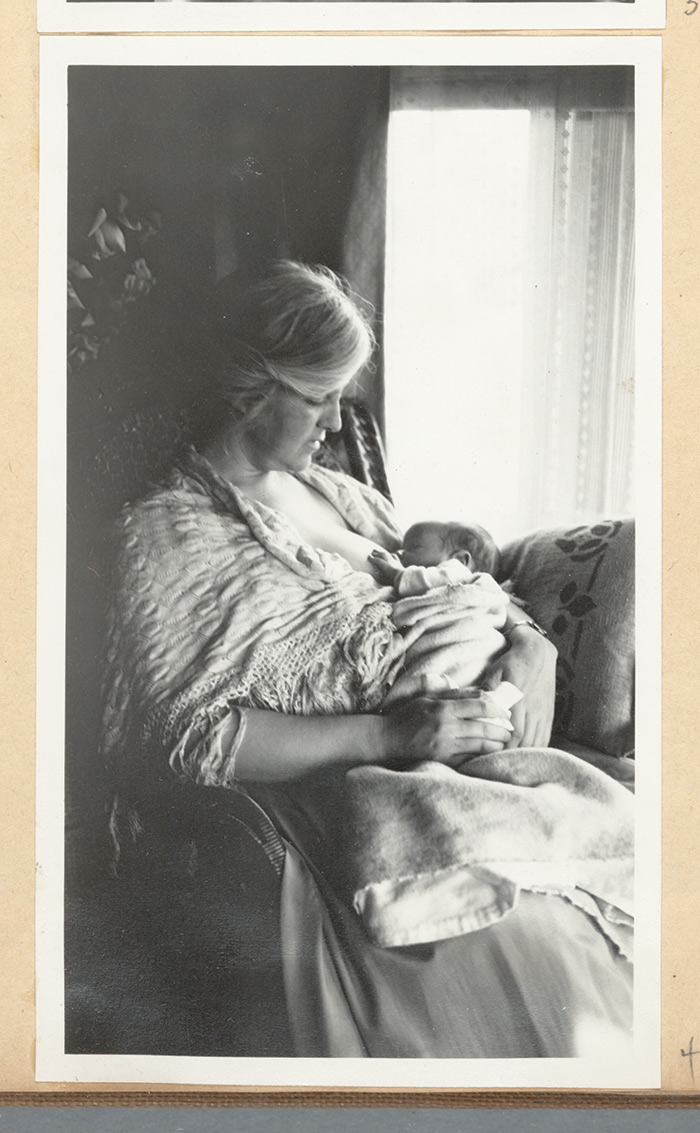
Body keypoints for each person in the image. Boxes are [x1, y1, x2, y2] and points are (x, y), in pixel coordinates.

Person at [103, 260, 633, 1059]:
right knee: (523, 939)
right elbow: (193, 737)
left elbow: (456, 589)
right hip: (340, 799)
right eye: (319, 396)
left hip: (457, 760)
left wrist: (532, 644)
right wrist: (391, 738)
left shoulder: (340, 493)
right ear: (253, 388)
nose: (339, 420)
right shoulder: (165, 535)